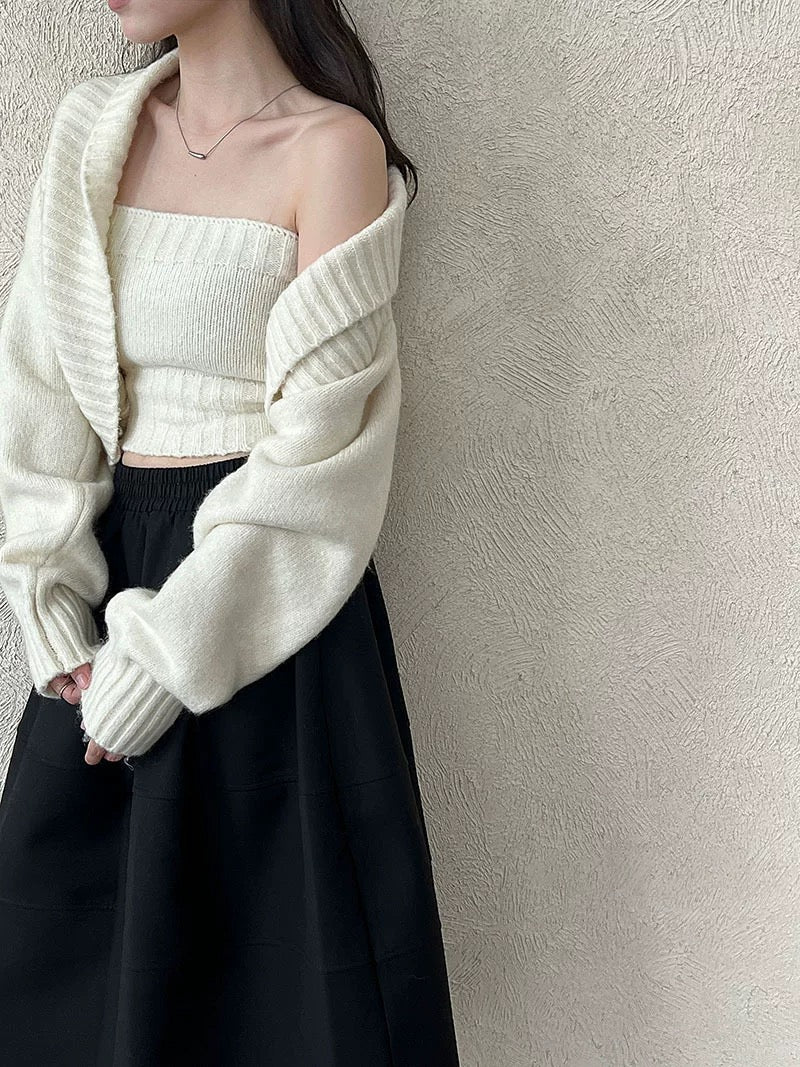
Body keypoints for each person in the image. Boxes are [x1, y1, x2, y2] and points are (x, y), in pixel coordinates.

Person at [0, 2, 461, 1063]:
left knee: (284, 1004)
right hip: (106, 599)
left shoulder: (331, 149)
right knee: (67, 986)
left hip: (271, 609)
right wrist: (50, 605)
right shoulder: (92, 131)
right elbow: (38, 386)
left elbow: (323, 457)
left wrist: (170, 655)